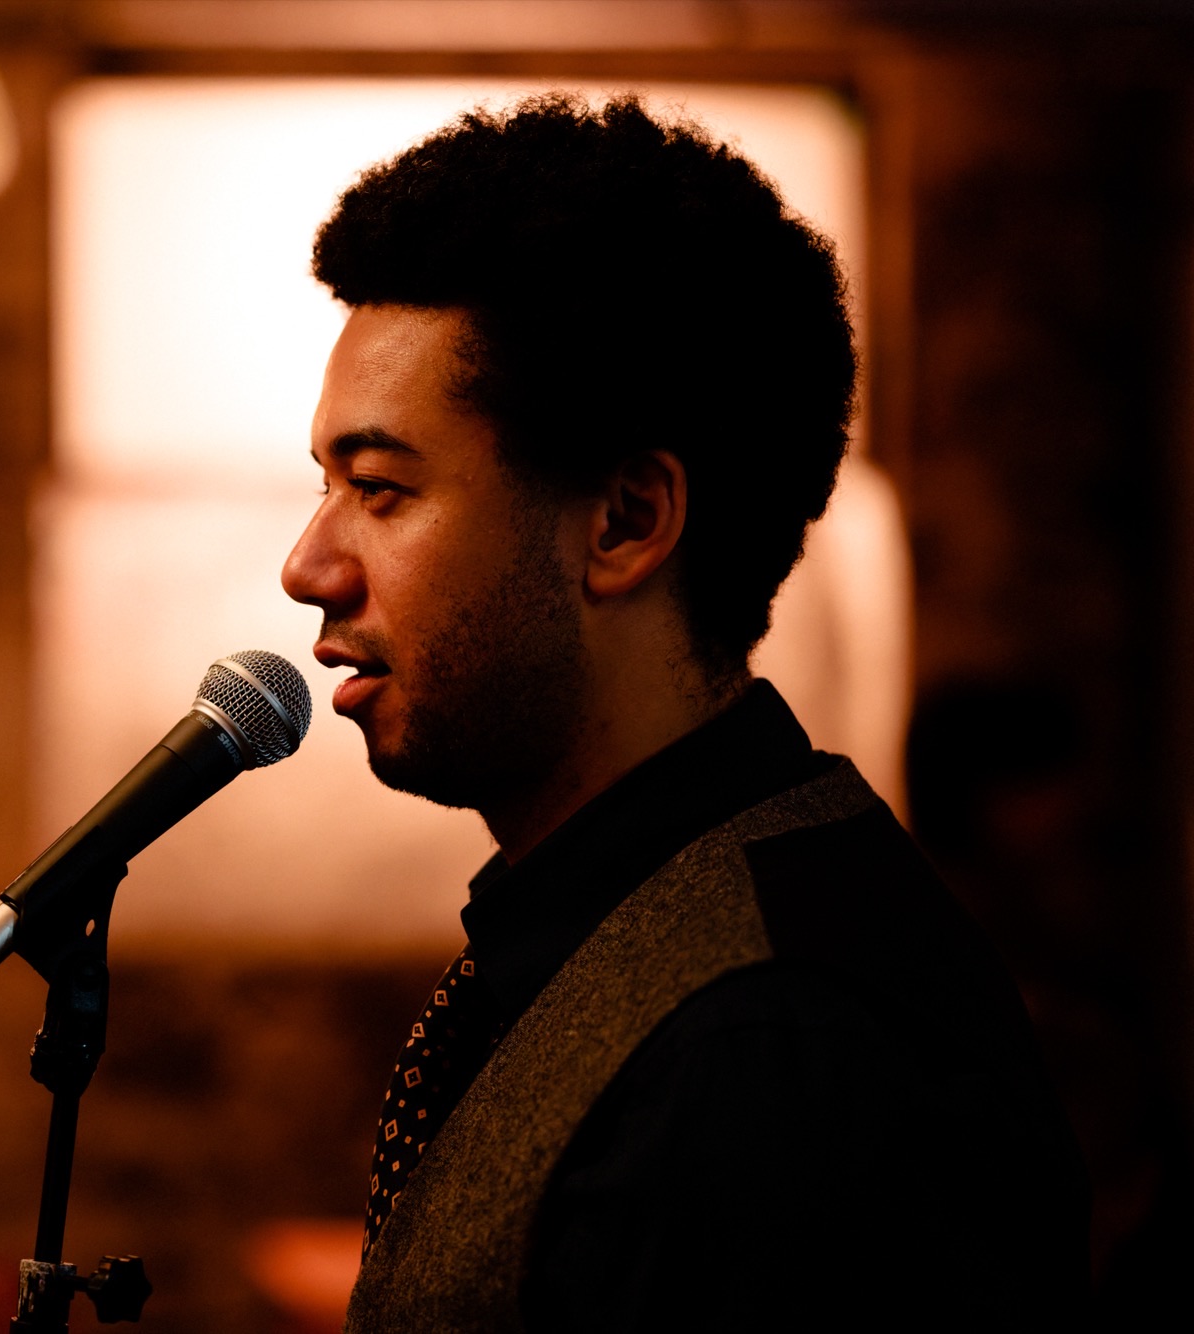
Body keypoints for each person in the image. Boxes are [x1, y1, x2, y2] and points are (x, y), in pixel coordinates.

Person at [280, 94, 1089, 1330]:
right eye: (325, 485)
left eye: (381, 489)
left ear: (623, 523)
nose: (309, 563)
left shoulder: (772, 1048)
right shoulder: (631, 920)